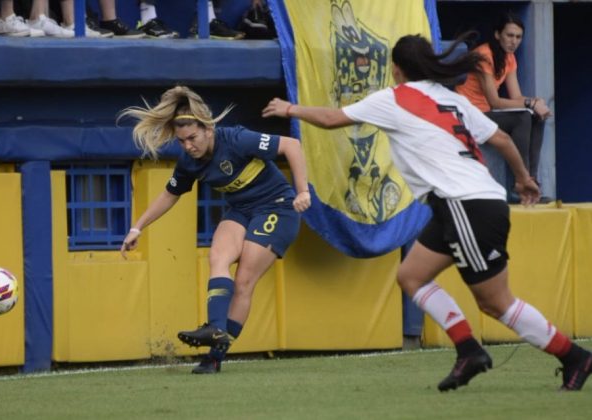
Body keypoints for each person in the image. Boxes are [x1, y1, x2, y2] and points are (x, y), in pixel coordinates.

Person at [261, 34, 592, 391]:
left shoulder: (393, 98)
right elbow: (503, 140)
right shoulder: (452, 99)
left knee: (496, 303)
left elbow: (330, 119)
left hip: (465, 204)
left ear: (397, 70)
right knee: (411, 276)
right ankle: (468, 350)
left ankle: (574, 357)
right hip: (462, 204)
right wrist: (525, 178)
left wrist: (290, 109)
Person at [119, 86, 311, 374]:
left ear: (208, 129)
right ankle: (215, 328)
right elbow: (169, 194)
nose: (187, 146)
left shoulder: (236, 139)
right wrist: (137, 227)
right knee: (217, 258)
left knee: (244, 280)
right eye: (181, 141)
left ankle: (214, 356)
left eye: (192, 138)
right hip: (241, 211)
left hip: (277, 209)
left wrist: (302, 191)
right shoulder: (189, 162)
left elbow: (291, 146)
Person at [455, 13, 551, 198]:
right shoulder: (483, 56)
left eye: (518, 37)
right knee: (522, 117)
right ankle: (520, 184)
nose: (514, 41)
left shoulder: (509, 58)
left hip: (487, 114)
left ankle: (531, 181)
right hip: (470, 115)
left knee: (535, 116)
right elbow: (495, 101)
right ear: (497, 35)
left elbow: (516, 96)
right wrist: (530, 103)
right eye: (509, 35)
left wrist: (536, 103)